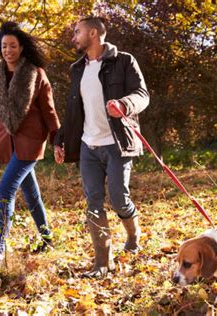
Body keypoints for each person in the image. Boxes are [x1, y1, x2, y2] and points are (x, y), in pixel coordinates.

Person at [54, 16, 150, 278]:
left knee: (119, 198)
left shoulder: (124, 61)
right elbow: (74, 110)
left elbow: (142, 95)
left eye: (77, 32)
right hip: (88, 146)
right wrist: (59, 140)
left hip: (117, 143)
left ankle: (133, 234)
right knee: (93, 202)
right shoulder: (77, 69)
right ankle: (102, 264)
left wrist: (125, 105)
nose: (74, 37)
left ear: (93, 34)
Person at [0, 22, 60, 275]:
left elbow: (49, 109)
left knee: (4, 192)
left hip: (30, 140)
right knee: (31, 194)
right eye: (4, 46)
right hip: (6, 140)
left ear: (21, 48)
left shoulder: (35, 73)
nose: (8, 50)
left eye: (12, 45)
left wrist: (57, 140)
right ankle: (47, 238)